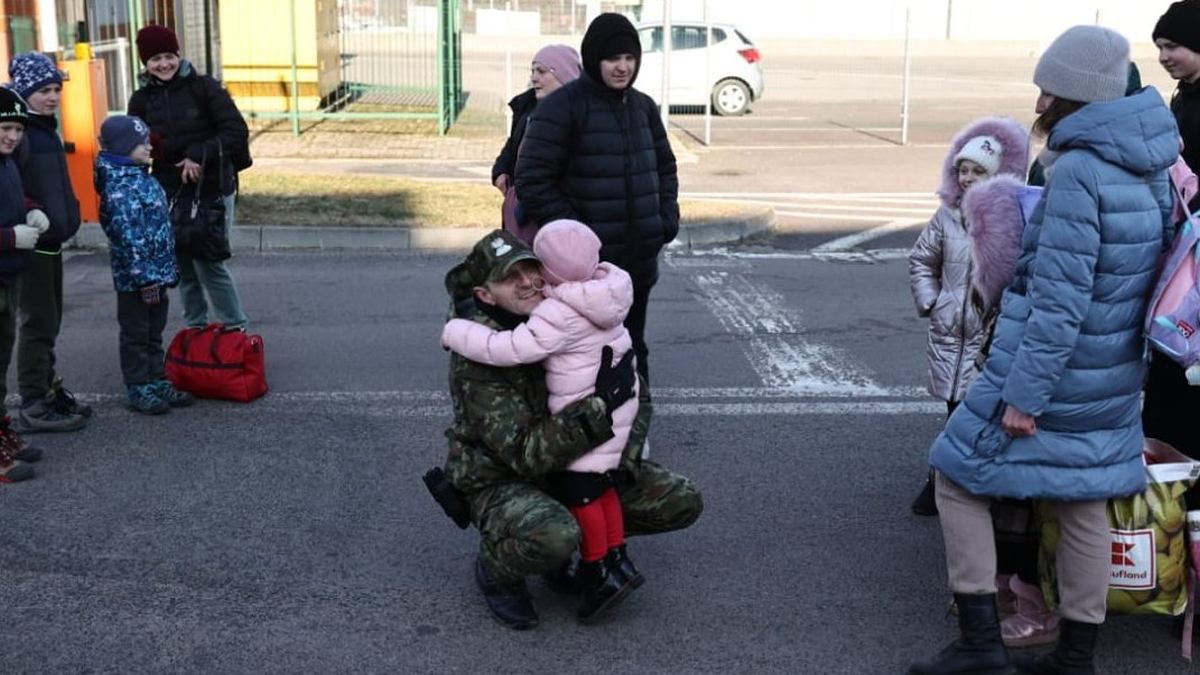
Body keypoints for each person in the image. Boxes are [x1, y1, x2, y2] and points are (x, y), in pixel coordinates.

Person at [908, 25, 1178, 675]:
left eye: (1047, 89)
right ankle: (1075, 657)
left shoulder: (1080, 171)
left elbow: (1061, 300)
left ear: (1074, 94)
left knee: (955, 474)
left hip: (1050, 374)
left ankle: (981, 644)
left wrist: (1024, 396)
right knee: (1083, 501)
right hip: (1110, 377)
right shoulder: (1151, 166)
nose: (1037, 104)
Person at [436, 229, 702, 630]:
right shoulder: (480, 358)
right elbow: (524, 453)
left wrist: (614, 465)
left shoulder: (567, 315)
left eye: (531, 270)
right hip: (502, 476)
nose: (527, 282)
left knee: (678, 499)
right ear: (486, 294)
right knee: (554, 533)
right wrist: (597, 413)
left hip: (574, 457)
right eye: (511, 277)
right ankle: (498, 569)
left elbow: (637, 396)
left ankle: (595, 552)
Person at [516, 12, 679, 384]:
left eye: (629, 58)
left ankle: (635, 427)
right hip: (585, 273)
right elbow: (533, 179)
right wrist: (576, 242)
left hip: (638, 262)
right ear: (593, 59)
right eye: (612, 59)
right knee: (583, 357)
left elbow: (666, 169)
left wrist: (665, 221)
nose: (622, 68)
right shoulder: (563, 107)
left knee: (634, 346)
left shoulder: (642, 107)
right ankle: (583, 431)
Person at [908, 116, 1030, 517]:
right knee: (952, 413)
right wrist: (933, 301)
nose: (967, 177)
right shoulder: (945, 217)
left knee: (978, 417)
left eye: (978, 170)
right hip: (948, 333)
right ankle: (941, 484)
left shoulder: (1008, 218)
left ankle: (965, 488)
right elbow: (922, 259)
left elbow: (1016, 275)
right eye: (963, 168)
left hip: (987, 337)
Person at [127, 25, 250, 332]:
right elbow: (137, 148)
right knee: (183, 265)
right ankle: (195, 331)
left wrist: (199, 152)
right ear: (145, 63)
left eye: (169, 56)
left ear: (178, 55)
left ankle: (236, 330)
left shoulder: (204, 88)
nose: (164, 64)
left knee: (209, 263)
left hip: (213, 189)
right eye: (155, 58)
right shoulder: (140, 101)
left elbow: (235, 132)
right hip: (170, 192)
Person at [7, 52, 89, 433]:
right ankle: (33, 403)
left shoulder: (45, 130)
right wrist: (32, 211)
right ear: (25, 92)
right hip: (32, 245)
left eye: (56, 89)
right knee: (39, 321)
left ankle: (47, 386)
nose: (53, 96)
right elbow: (14, 187)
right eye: (43, 90)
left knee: (51, 320)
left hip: (52, 241)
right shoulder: (21, 135)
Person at [95, 116, 194, 415]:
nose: (149, 146)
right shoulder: (119, 186)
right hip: (137, 280)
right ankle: (138, 385)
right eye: (142, 142)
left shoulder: (140, 175)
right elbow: (129, 238)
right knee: (137, 333)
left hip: (157, 274)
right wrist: (146, 278)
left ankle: (156, 379)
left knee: (154, 330)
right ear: (125, 148)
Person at [1144, 0, 1200, 505]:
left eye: (1174, 45)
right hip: (1183, 254)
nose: (1164, 55)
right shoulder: (1183, 98)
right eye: (1159, 46)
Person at [0, 88, 46, 481]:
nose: (12, 136)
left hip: (8, 277)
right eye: (4, 127)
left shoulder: (8, 163)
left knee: (1, 361)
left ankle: (1, 431)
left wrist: (32, 212)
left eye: (17, 128)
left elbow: (16, 199)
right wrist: (10, 238)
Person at [492, 43, 581, 196]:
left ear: (564, 74)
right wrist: (501, 170)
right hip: (523, 206)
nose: (534, 78)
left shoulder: (582, 115)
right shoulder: (527, 109)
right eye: (532, 71)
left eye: (541, 71)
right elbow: (513, 143)